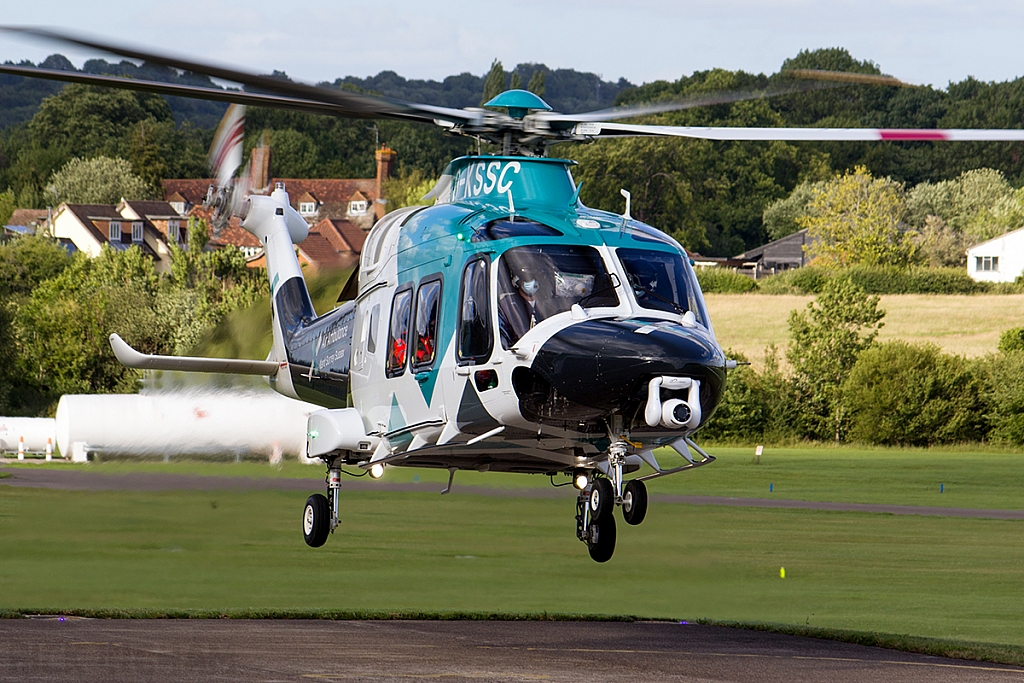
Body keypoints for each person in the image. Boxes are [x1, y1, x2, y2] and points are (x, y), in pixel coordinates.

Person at [499, 267, 547, 348]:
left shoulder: (547, 303)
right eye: (526, 279)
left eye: (533, 278)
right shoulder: (507, 304)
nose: (531, 282)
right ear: (517, 282)